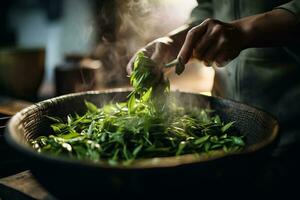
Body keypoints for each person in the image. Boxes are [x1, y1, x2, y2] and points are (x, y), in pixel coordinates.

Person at [127, 0, 300, 196]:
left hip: (292, 131)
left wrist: (244, 30)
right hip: (229, 125)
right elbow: (208, 8)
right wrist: (172, 42)